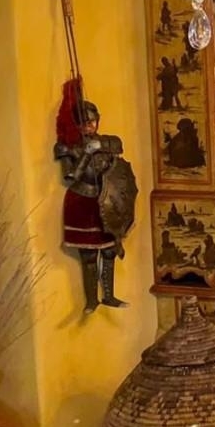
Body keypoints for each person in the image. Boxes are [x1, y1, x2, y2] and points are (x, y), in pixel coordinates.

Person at [54, 79, 132, 313]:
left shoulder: (105, 142)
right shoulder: (68, 147)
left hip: (105, 201)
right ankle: (91, 300)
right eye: (84, 123)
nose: (89, 126)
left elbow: (118, 144)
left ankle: (109, 295)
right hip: (82, 202)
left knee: (109, 250)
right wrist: (83, 154)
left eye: (92, 121)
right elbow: (71, 175)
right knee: (88, 255)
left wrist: (97, 145)